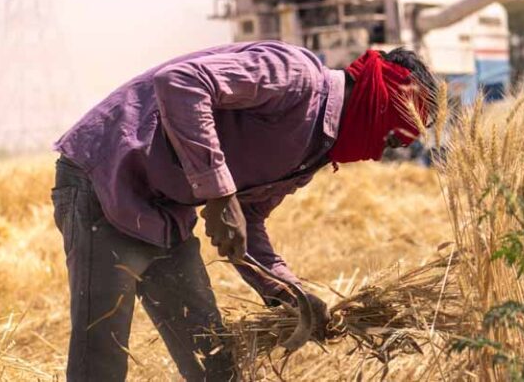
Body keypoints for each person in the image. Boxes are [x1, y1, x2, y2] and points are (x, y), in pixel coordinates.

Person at [50, 40, 436, 381]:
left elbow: (244, 220)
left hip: (165, 211)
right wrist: (219, 194)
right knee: (100, 359)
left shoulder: (315, 149)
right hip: (106, 178)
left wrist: (287, 291)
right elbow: (181, 82)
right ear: (381, 104)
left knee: (215, 362)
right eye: (391, 140)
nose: (379, 154)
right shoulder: (296, 76)